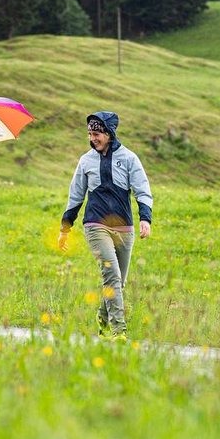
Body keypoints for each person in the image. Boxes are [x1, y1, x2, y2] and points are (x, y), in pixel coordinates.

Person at [58, 111, 153, 338]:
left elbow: (142, 190)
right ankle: (119, 332)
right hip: (95, 225)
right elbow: (76, 197)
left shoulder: (129, 159)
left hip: (125, 228)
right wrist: (65, 229)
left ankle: (102, 322)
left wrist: (145, 219)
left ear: (109, 133)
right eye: (90, 134)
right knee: (111, 277)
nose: (93, 139)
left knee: (119, 282)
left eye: (97, 134)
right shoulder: (85, 161)